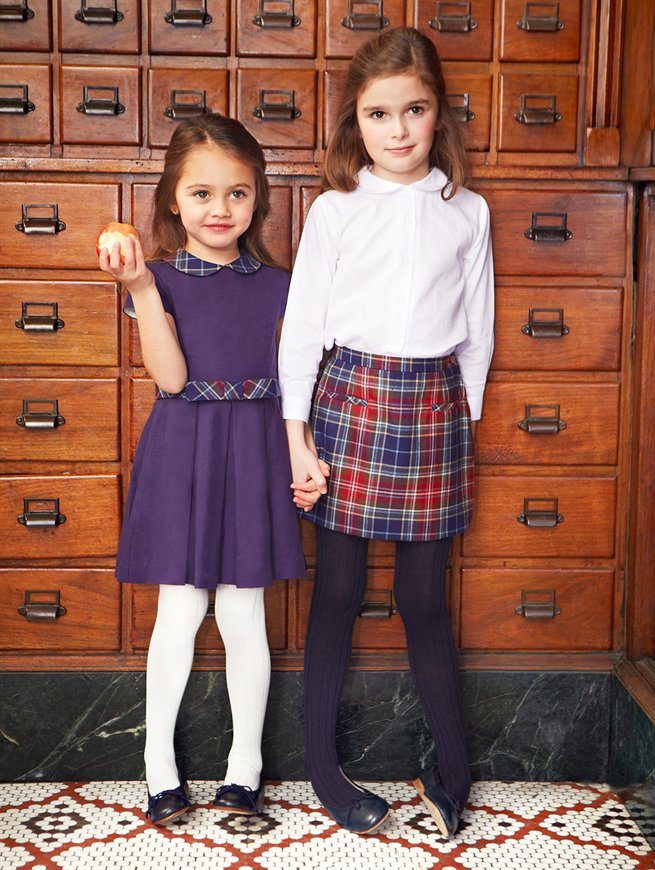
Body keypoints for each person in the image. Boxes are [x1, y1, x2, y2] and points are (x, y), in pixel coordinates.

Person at [278, 27, 494, 838]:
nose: (397, 130)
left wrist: (462, 421)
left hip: (433, 410)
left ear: (439, 113)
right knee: (336, 590)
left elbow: (478, 329)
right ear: (355, 121)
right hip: (349, 401)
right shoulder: (335, 211)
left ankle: (452, 768)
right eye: (378, 114)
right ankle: (322, 768)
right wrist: (297, 437)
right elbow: (303, 329)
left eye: (414, 109)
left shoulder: (465, 210)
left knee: (422, 598)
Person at [99, 113, 305, 826]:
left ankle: (244, 769)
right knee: (180, 611)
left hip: (254, 447)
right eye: (202, 193)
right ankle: (158, 768)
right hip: (184, 448)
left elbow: (297, 379)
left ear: (258, 200)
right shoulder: (153, 278)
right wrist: (139, 288)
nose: (221, 209)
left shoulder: (281, 285)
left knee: (245, 612)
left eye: (238, 193)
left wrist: (303, 450)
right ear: (172, 200)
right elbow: (172, 378)